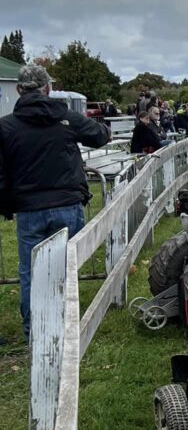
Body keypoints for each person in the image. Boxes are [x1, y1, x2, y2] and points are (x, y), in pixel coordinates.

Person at [0, 64, 110, 340]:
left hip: (29, 209)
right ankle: (65, 327)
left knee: (30, 272)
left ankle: (35, 332)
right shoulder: (66, 118)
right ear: (48, 88)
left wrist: (6, 203)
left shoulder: (6, 126)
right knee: (65, 268)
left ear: (18, 90)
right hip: (66, 203)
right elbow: (99, 136)